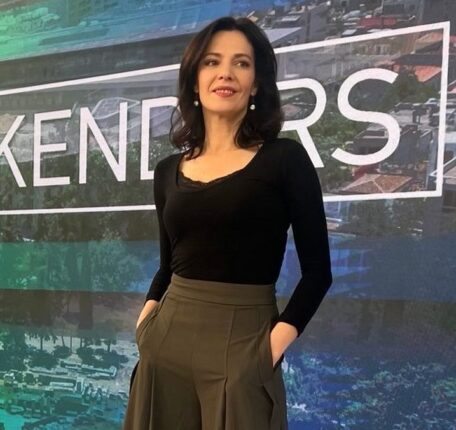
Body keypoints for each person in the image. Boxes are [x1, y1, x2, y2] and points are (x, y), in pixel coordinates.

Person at [123, 16, 333, 430]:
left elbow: (318, 273)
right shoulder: (166, 171)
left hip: (244, 346)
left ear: (256, 84)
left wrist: (266, 352)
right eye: (212, 62)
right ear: (194, 80)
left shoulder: (285, 160)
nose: (226, 73)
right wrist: (145, 328)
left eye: (241, 63)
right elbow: (167, 267)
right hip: (165, 345)